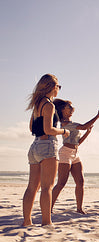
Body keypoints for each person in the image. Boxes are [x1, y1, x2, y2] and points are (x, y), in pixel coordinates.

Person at [23, 74, 70, 226]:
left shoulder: (36, 105)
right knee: (46, 187)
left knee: (32, 187)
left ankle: (27, 221)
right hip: (47, 146)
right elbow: (48, 129)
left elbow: (31, 127)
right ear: (51, 87)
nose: (59, 89)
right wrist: (63, 132)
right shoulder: (49, 105)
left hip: (35, 146)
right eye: (58, 86)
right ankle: (46, 222)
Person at [51, 99, 99, 214]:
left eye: (71, 107)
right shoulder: (66, 124)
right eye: (68, 107)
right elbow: (84, 126)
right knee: (61, 183)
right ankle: (49, 207)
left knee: (80, 182)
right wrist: (98, 115)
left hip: (75, 154)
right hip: (65, 153)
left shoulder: (72, 124)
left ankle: (79, 208)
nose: (71, 108)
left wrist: (87, 133)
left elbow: (78, 142)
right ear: (62, 110)